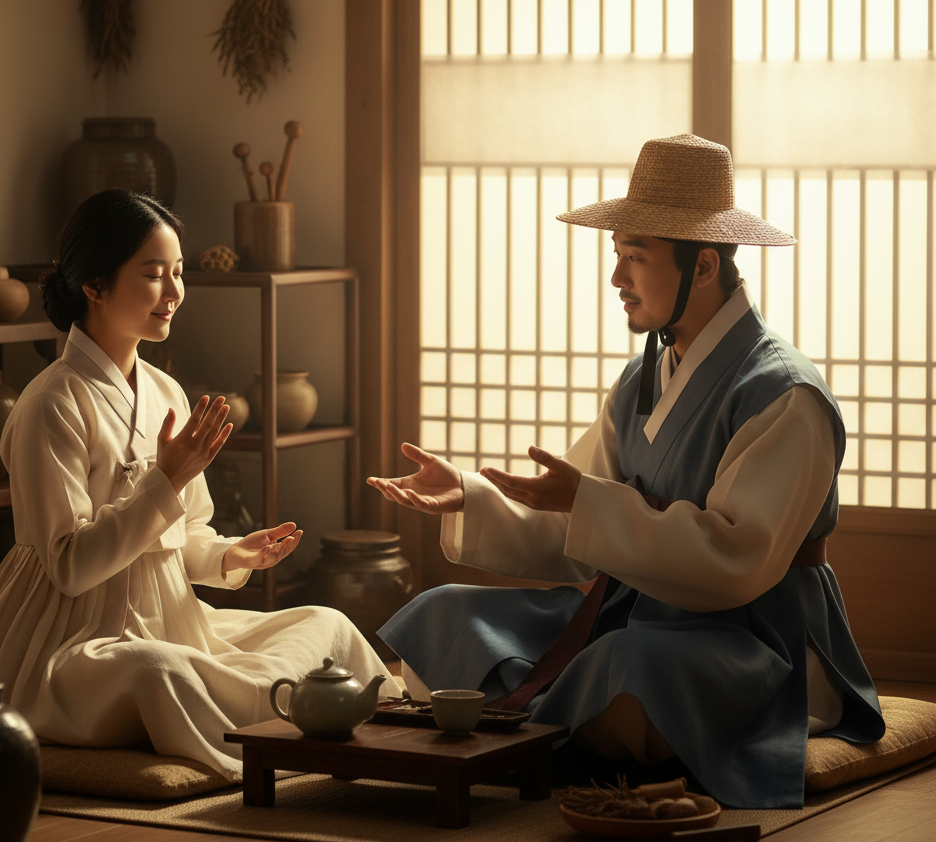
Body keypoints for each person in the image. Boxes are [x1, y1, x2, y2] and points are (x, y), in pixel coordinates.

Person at [368, 134, 885, 809]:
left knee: (631, 668)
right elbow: (572, 520)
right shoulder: (642, 379)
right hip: (633, 608)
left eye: (634, 258)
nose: (617, 279)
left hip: (754, 633)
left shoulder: (784, 394)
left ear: (703, 267)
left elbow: (738, 559)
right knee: (443, 616)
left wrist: (589, 506)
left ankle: (543, 728)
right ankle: (560, 726)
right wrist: (469, 495)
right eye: (617, 256)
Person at [0, 189, 398, 780]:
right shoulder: (50, 403)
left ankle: (381, 743)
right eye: (153, 275)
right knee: (160, 672)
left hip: (174, 618)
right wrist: (167, 477)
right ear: (94, 285)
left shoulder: (165, 392)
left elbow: (187, 534)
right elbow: (70, 567)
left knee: (324, 625)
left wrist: (231, 553)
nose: (175, 293)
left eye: (177, 273)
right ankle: (285, 748)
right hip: (71, 638)